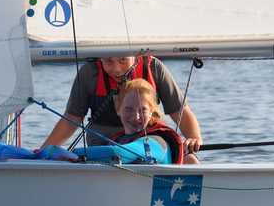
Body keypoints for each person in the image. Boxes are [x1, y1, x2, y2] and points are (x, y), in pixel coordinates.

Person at [41, 55, 202, 163]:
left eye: (123, 60)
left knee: (190, 160)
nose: (117, 69)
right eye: (108, 61)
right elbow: (71, 119)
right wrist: (42, 153)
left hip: (141, 142)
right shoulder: (90, 73)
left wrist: (194, 139)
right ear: (119, 109)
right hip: (106, 144)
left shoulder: (153, 68)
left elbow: (179, 111)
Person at [73, 79, 183, 164]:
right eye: (128, 109)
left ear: (151, 112)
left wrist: (72, 154)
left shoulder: (157, 141)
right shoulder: (116, 141)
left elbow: (119, 153)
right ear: (118, 109)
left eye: (143, 110)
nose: (136, 116)